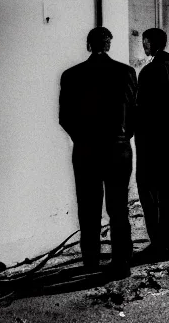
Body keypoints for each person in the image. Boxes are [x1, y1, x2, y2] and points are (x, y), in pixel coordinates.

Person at [59, 27, 137, 279]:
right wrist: (123, 137)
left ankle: (90, 260)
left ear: (88, 45)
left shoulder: (71, 75)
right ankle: (121, 263)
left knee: (88, 208)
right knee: (118, 208)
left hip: (86, 150)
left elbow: (64, 118)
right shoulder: (126, 72)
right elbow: (134, 115)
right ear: (109, 44)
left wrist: (81, 139)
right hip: (117, 149)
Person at [135, 28, 169, 264]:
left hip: (151, 139)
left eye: (144, 42)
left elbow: (142, 110)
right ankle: (164, 245)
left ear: (151, 43)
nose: (142, 45)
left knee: (148, 191)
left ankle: (156, 244)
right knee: (166, 192)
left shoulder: (149, 71)